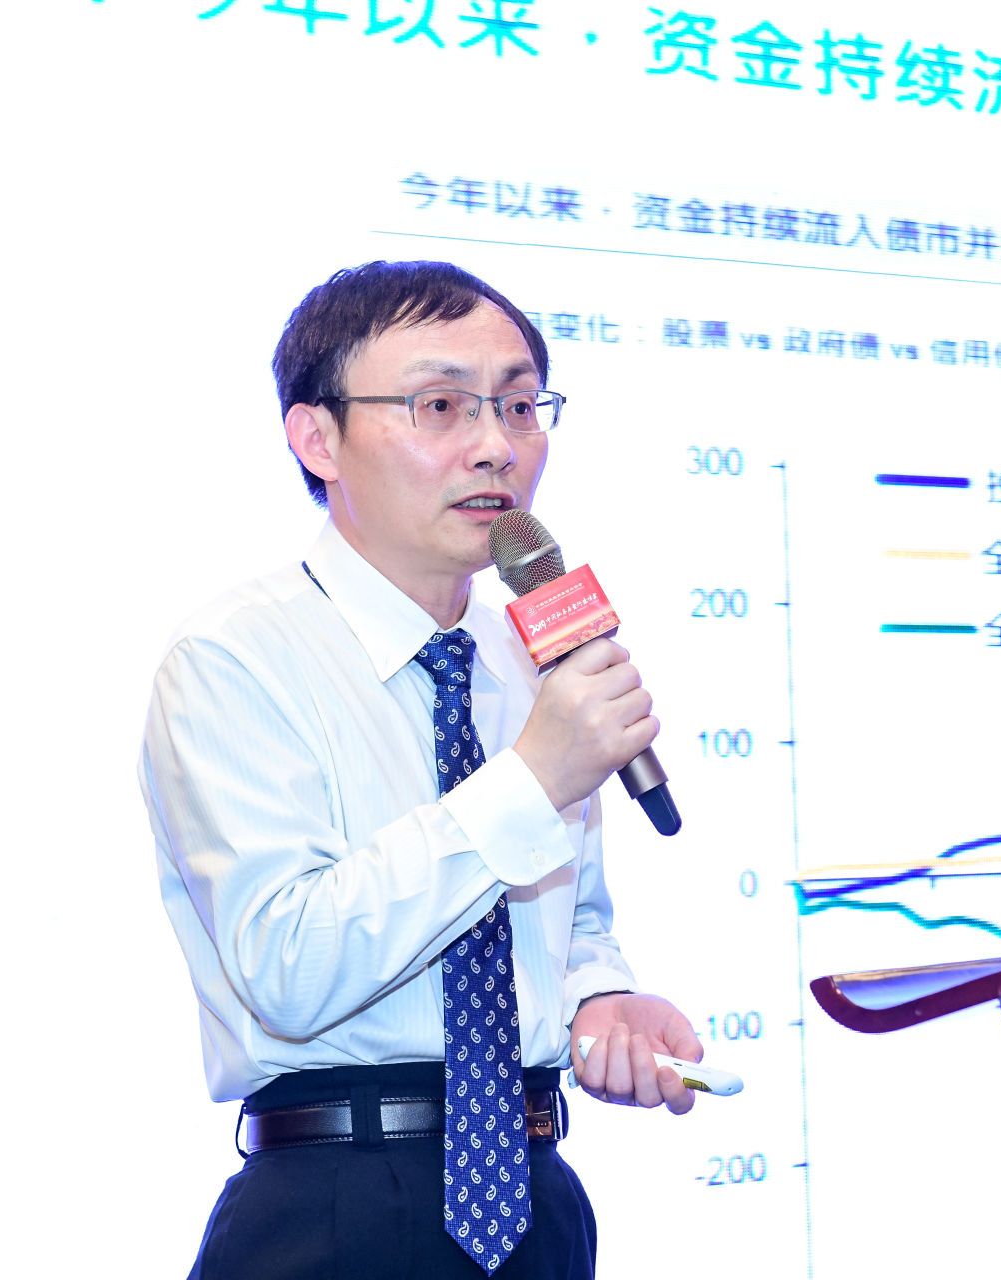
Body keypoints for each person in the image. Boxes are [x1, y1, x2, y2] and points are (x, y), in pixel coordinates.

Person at [139, 260, 701, 1279]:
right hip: (335, 1204)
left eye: (520, 406)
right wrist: (530, 779)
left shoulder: (532, 658)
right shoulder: (235, 658)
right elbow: (287, 968)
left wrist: (598, 999)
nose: (496, 445)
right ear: (318, 438)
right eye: (441, 405)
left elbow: (570, 920)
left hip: (536, 1196)